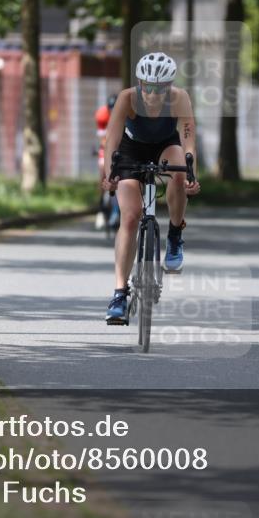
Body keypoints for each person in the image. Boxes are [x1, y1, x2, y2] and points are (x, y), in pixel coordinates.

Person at [100, 53, 201, 324]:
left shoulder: (179, 98)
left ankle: (175, 235)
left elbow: (189, 137)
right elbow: (112, 139)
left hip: (166, 145)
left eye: (159, 88)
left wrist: (192, 172)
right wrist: (109, 171)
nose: (152, 93)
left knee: (178, 175)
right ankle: (120, 294)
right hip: (131, 149)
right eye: (147, 85)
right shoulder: (127, 98)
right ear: (140, 82)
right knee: (130, 217)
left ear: (169, 86)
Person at [94, 94, 119, 230]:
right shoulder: (102, 115)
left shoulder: (124, 113)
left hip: (121, 146)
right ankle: (101, 210)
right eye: (111, 110)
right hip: (107, 146)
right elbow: (103, 139)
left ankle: (118, 209)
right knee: (103, 171)